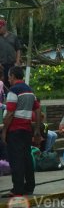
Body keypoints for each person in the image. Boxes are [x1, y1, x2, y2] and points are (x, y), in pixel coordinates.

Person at [2, 66, 42, 197]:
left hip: (15, 130)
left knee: (16, 159)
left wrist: (4, 131)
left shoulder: (13, 91)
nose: (8, 79)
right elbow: (37, 110)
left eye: (9, 76)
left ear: (13, 76)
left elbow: (10, 113)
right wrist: (36, 129)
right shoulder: (30, 90)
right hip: (27, 130)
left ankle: (17, 189)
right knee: (27, 158)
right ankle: (29, 186)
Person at [0, 19, 22, 97]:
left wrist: (17, 61)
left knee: (14, 82)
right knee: (3, 83)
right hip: (1, 66)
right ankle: (4, 99)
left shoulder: (13, 37)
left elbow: (18, 49)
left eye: (0, 28)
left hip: (12, 64)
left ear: (4, 27)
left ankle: (15, 97)